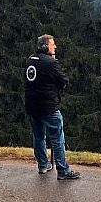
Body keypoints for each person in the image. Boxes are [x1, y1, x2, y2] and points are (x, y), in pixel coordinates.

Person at [23, 34, 80, 181]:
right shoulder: (50, 63)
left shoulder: (30, 60)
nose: (55, 46)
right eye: (52, 44)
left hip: (32, 106)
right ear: (45, 46)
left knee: (38, 136)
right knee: (57, 138)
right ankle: (62, 170)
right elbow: (64, 81)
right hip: (48, 107)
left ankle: (43, 165)